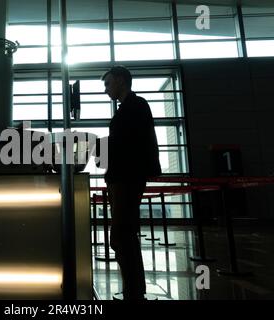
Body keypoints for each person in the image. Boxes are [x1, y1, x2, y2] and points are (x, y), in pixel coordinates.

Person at [101, 66, 161, 300]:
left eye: (108, 84)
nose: (106, 90)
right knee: (125, 234)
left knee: (120, 235)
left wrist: (101, 148)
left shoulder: (134, 106)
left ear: (121, 81)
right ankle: (134, 289)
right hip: (124, 177)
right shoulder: (131, 107)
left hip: (126, 178)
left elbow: (128, 144)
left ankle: (133, 291)